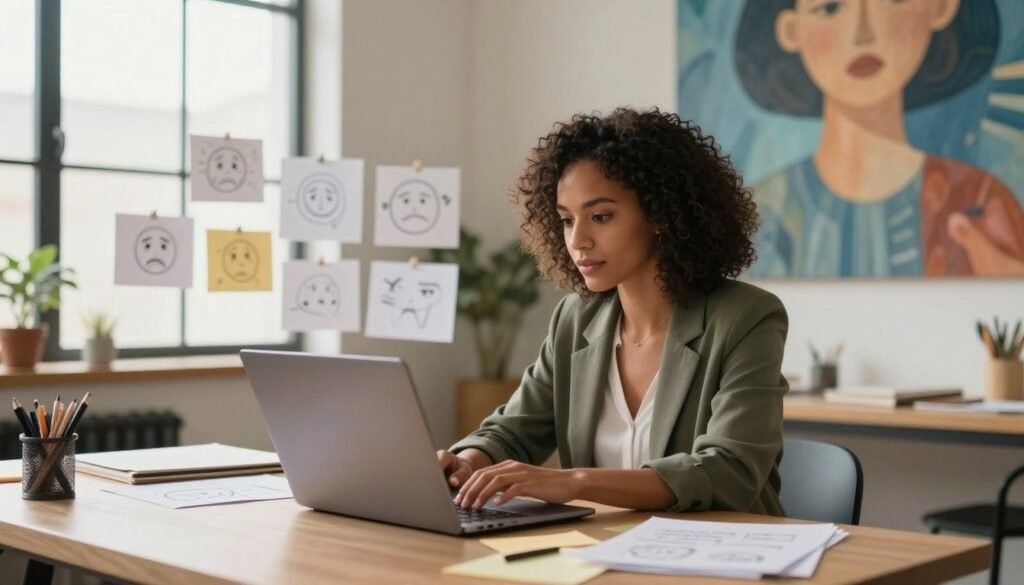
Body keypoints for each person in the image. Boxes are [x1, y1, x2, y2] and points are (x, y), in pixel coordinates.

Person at [436, 107, 789, 515]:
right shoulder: (575, 319)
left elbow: (729, 472)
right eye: (566, 220)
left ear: (660, 214)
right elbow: (514, 431)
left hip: (721, 557)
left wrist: (575, 481)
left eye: (600, 217)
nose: (578, 240)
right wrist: (467, 462)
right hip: (603, 551)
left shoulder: (746, 317)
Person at [734, 0, 1024, 277]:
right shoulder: (762, 212)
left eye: (893, 0)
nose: (864, 35)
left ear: (940, 8)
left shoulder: (980, 203)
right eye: (830, 7)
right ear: (790, 30)